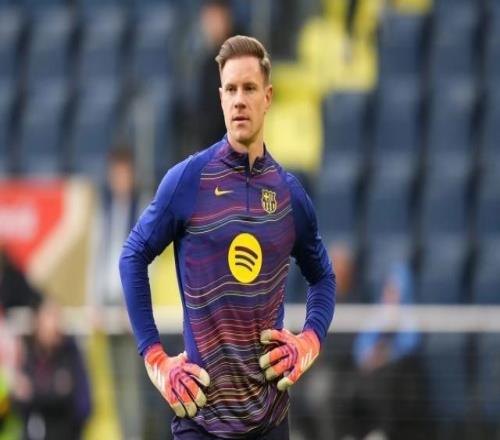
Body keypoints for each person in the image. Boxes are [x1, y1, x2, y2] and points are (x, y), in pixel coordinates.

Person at [119, 35, 336, 439]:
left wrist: (310, 339)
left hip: (270, 422)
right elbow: (132, 256)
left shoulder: (289, 194)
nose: (239, 100)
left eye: (249, 88)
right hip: (200, 418)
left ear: (268, 98)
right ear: (220, 98)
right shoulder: (189, 180)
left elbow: (322, 275)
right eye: (231, 89)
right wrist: (155, 358)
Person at [341, 263, 425, 440]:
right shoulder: (376, 317)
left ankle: (383, 431)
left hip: (395, 377)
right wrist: (370, 356)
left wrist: (387, 354)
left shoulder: (410, 319)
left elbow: (409, 345)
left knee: (387, 383)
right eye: (389, 289)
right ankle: (354, 432)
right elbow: (362, 347)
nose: (391, 294)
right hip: (370, 374)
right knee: (350, 384)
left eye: (395, 290)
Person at [12, 300, 92, 440]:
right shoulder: (28, 355)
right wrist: (52, 391)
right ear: (38, 321)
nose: (54, 325)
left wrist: (35, 393)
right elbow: (19, 400)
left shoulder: (70, 354)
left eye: (57, 318)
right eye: (49, 317)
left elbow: (81, 404)